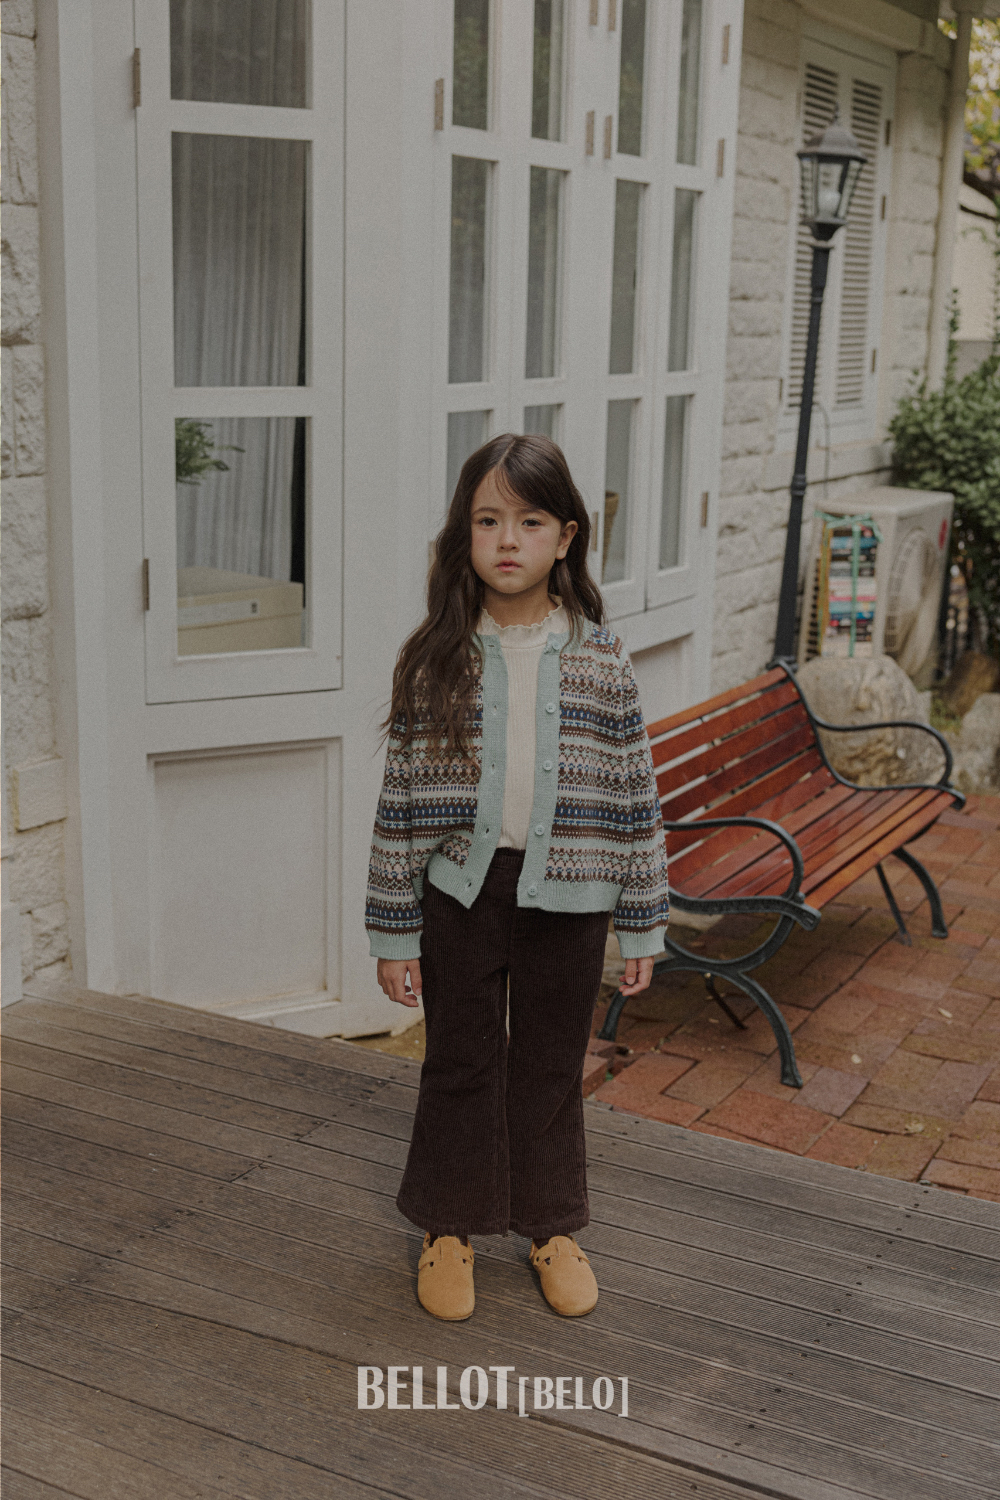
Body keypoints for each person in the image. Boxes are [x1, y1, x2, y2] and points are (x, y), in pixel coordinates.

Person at [366, 433, 668, 1322]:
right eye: (488, 520)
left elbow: (634, 797)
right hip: (460, 894)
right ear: (462, 534)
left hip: (572, 898)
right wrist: (392, 930)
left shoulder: (602, 661)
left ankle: (551, 1226)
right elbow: (400, 803)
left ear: (565, 537)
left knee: (549, 1065)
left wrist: (643, 922)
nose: (507, 540)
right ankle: (448, 1226)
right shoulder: (435, 658)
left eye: (530, 522)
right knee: (458, 1060)